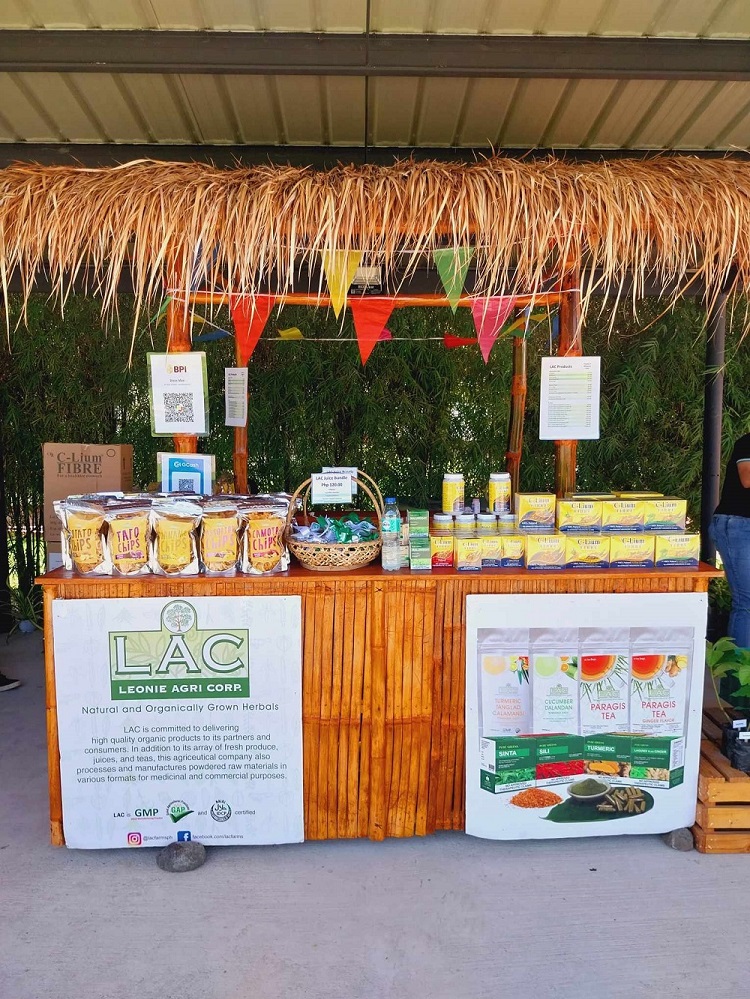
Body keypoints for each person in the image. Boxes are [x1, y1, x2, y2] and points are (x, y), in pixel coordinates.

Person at [711, 432, 750, 649]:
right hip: (738, 525)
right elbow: (747, 478)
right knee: (747, 602)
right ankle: (739, 667)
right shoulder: (747, 442)